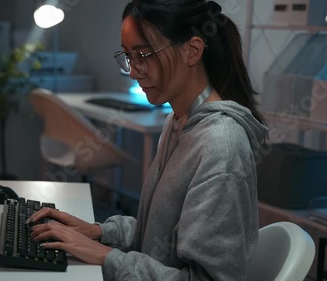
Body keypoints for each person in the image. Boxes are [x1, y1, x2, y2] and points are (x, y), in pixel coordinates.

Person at [28, 0, 268, 280]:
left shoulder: (221, 146)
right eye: (129, 56)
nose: (133, 70)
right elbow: (160, 238)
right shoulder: (178, 120)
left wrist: (107, 256)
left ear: (192, 50)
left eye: (144, 54)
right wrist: (100, 232)